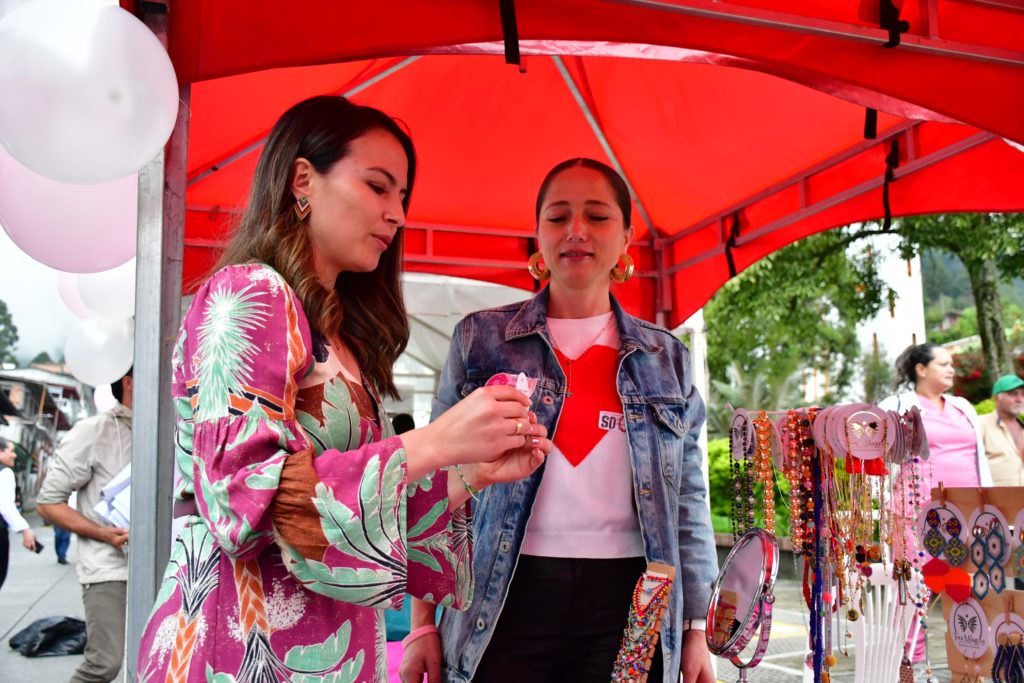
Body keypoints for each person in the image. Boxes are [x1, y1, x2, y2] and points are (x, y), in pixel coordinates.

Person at [133, 96, 552, 682]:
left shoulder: (340, 336)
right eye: (379, 187)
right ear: (302, 178)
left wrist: (469, 471)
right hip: (239, 647)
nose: (397, 214)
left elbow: (363, 516)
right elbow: (242, 501)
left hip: (326, 647)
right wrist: (433, 442)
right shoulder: (250, 293)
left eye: (402, 196)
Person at [402, 158, 719, 683]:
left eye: (596, 217)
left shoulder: (668, 359)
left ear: (625, 239)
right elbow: (437, 481)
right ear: (538, 236)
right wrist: (420, 624)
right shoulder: (481, 340)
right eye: (558, 217)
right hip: (501, 593)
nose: (576, 231)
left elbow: (688, 500)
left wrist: (695, 631)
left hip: (633, 601)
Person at [879, 343, 993, 662]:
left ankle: (968, 667)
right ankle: (907, 667)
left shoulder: (962, 407)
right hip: (917, 515)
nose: (950, 369)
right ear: (921, 369)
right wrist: (884, 503)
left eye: (952, 364)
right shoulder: (898, 405)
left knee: (968, 592)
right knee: (915, 592)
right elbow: (882, 458)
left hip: (968, 514)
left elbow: (977, 458)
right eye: (942, 363)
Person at [37, 370, 133, 683]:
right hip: (110, 570)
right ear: (129, 381)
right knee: (105, 662)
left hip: (168, 566)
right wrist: (103, 533)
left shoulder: (175, 431)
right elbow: (48, 503)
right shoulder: (93, 430)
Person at [0, 437, 37, 592]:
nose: (14, 455)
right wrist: (25, 530)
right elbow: (5, 506)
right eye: (11, 451)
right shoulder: (5, 473)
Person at [979, 373, 1024, 486]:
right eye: (1013, 394)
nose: (1020, 399)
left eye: (1023, 394)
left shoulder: (1021, 426)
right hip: (995, 501)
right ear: (996, 398)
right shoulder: (981, 424)